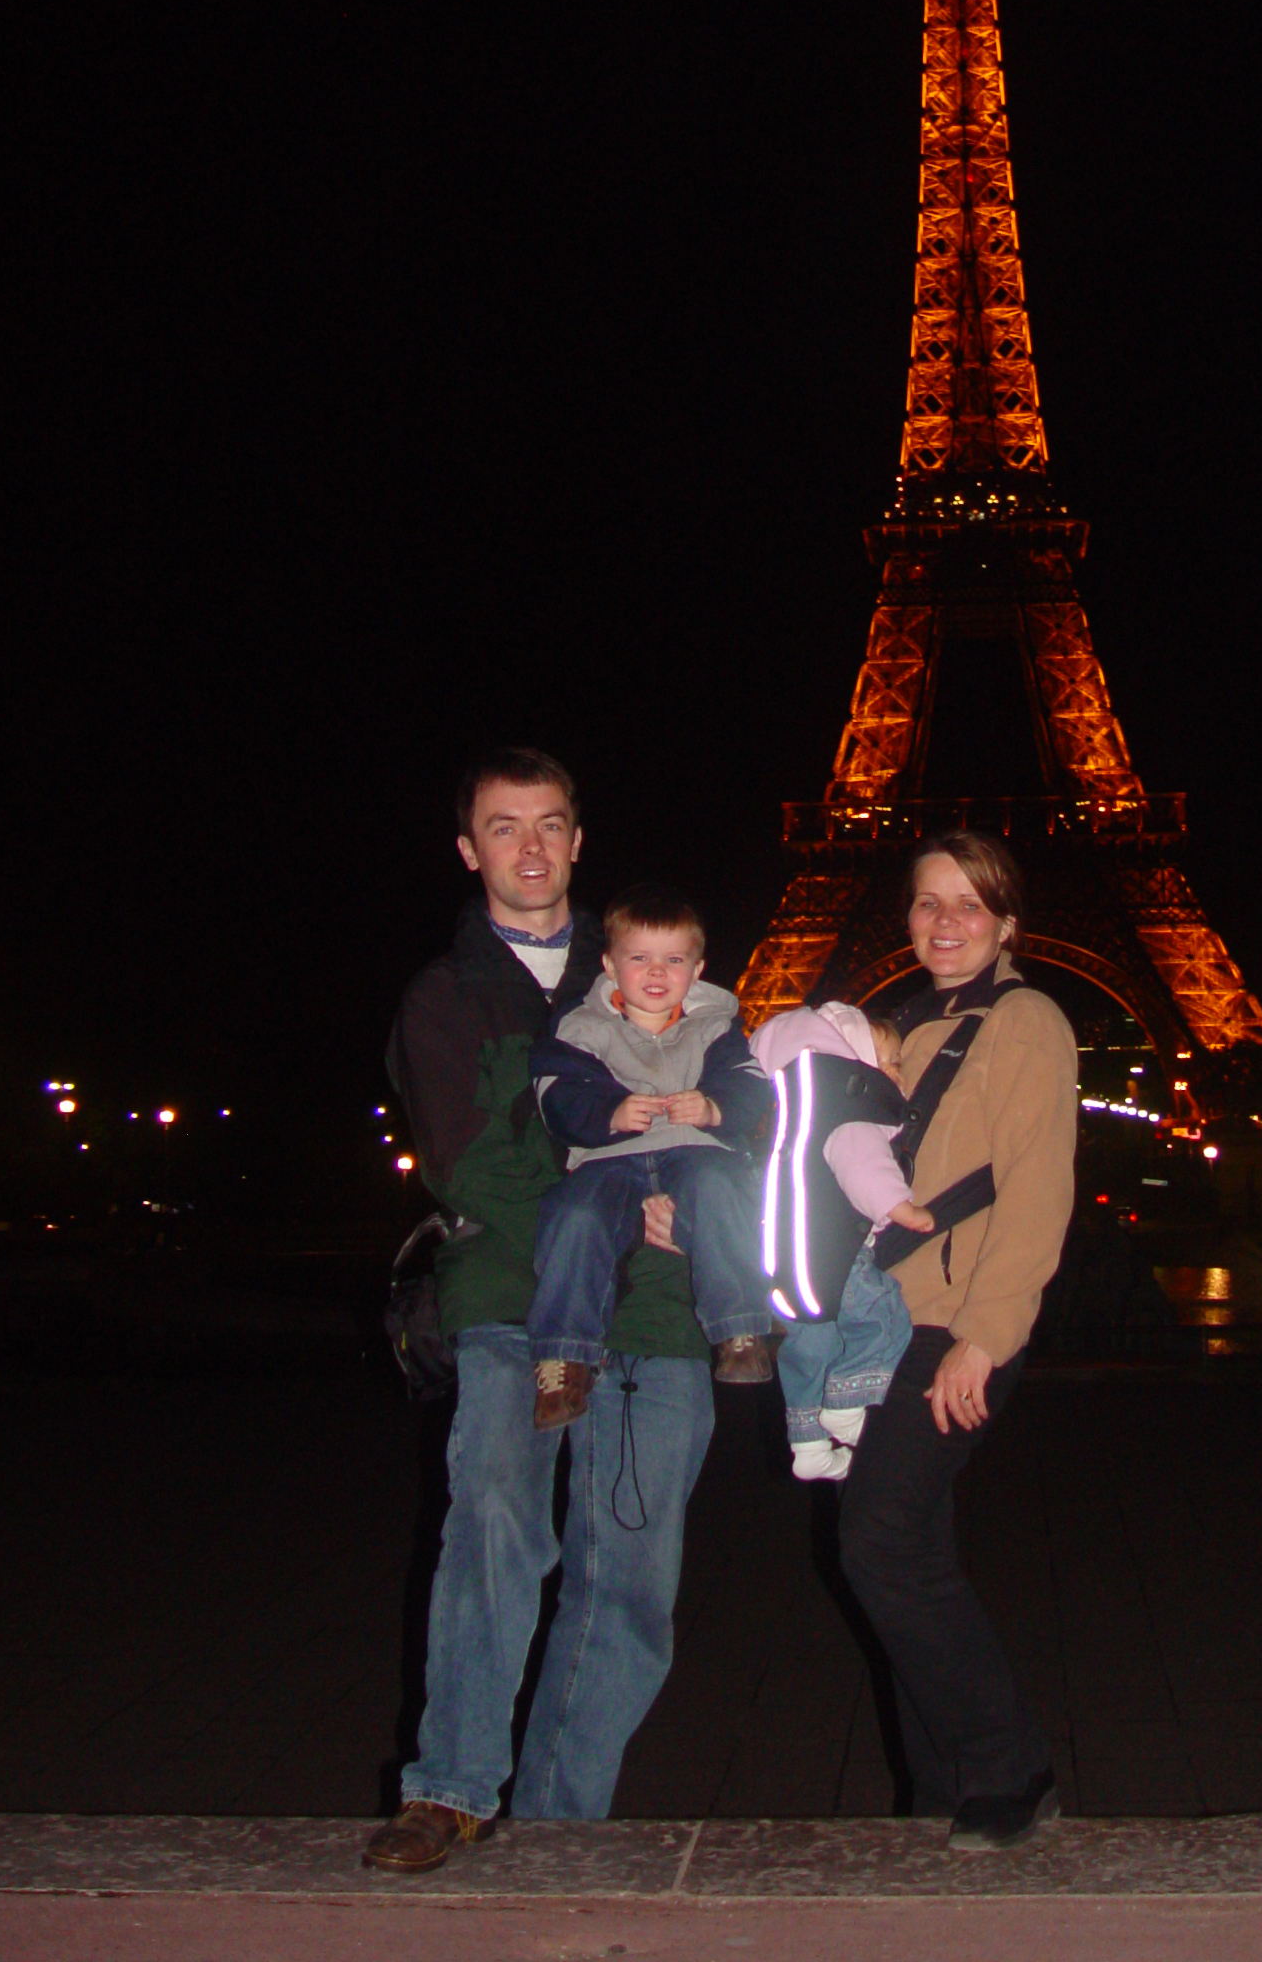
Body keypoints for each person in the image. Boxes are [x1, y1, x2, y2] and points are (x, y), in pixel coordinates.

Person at [362, 753, 715, 1874]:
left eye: (549, 825)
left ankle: (563, 1816)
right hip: (512, 1304)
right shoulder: (443, 996)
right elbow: (472, 1169)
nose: (529, 846)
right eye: (502, 827)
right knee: (494, 1537)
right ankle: (453, 1787)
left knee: (633, 1580)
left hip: (659, 1315)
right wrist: (628, 1199)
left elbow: (740, 1111)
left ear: (577, 840)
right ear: (470, 850)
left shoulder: (656, 976)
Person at [836, 830, 1077, 1852]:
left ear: (1006, 922)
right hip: (887, 1318)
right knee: (911, 1544)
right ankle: (942, 1780)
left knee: (879, 1540)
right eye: (928, 903)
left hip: (953, 1325)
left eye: (968, 904)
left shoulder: (1025, 1020)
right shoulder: (900, 1026)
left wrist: (985, 1338)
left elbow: (1036, 1189)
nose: (944, 921)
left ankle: (1008, 1762)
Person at [526, 886, 777, 1430]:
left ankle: (740, 1326)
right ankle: (563, 1357)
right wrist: (610, 1113)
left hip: (695, 1151)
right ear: (610, 967)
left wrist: (712, 1107)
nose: (656, 972)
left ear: (698, 969)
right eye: (639, 958)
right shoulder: (579, 1029)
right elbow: (556, 1094)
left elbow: (751, 1088)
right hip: (608, 1159)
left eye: (674, 960)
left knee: (719, 1191)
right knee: (574, 1215)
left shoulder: (718, 1027)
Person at [748, 1002, 933, 1479]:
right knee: (884, 1313)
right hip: (840, 1257)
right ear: (853, 1059)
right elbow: (862, 1164)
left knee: (811, 1346)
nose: (897, 1070)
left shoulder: (797, 1109)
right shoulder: (851, 1110)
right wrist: (900, 1208)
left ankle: (807, 1445)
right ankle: (848, 1406)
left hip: (790, 1258)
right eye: (889, 1059)